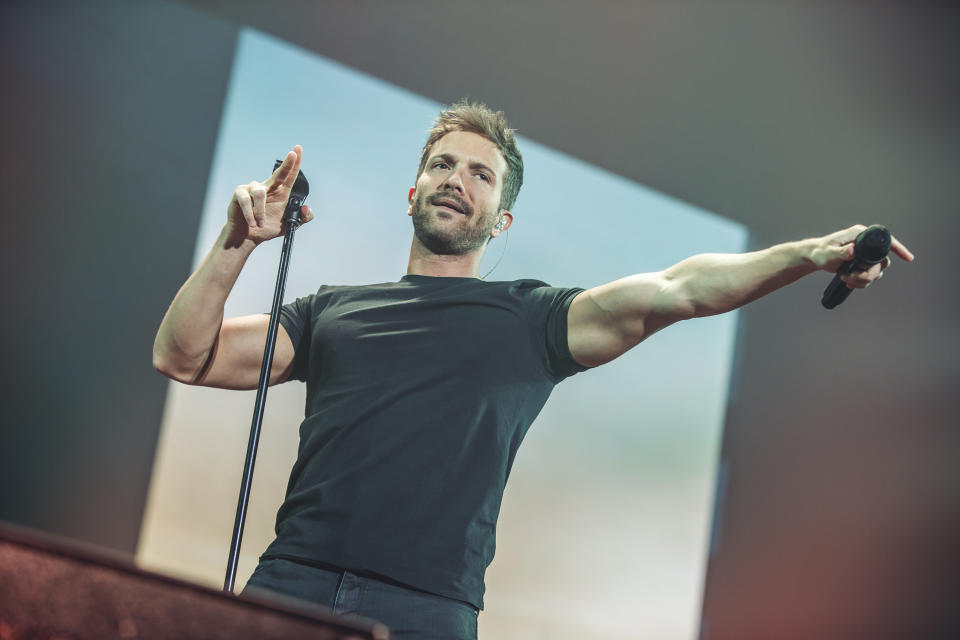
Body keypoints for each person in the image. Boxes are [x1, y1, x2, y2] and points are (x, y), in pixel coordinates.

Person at [152, 102, 913, 639]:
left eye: (481, 175)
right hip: (293, 585)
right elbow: (182, 355)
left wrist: (808, 254)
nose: (458, 179)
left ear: (501, 218)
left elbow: (680, 288)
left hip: (425, 614)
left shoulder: (532, 319)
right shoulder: (329, 311)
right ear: (413, 192)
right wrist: (236, 243)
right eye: (443, 164)